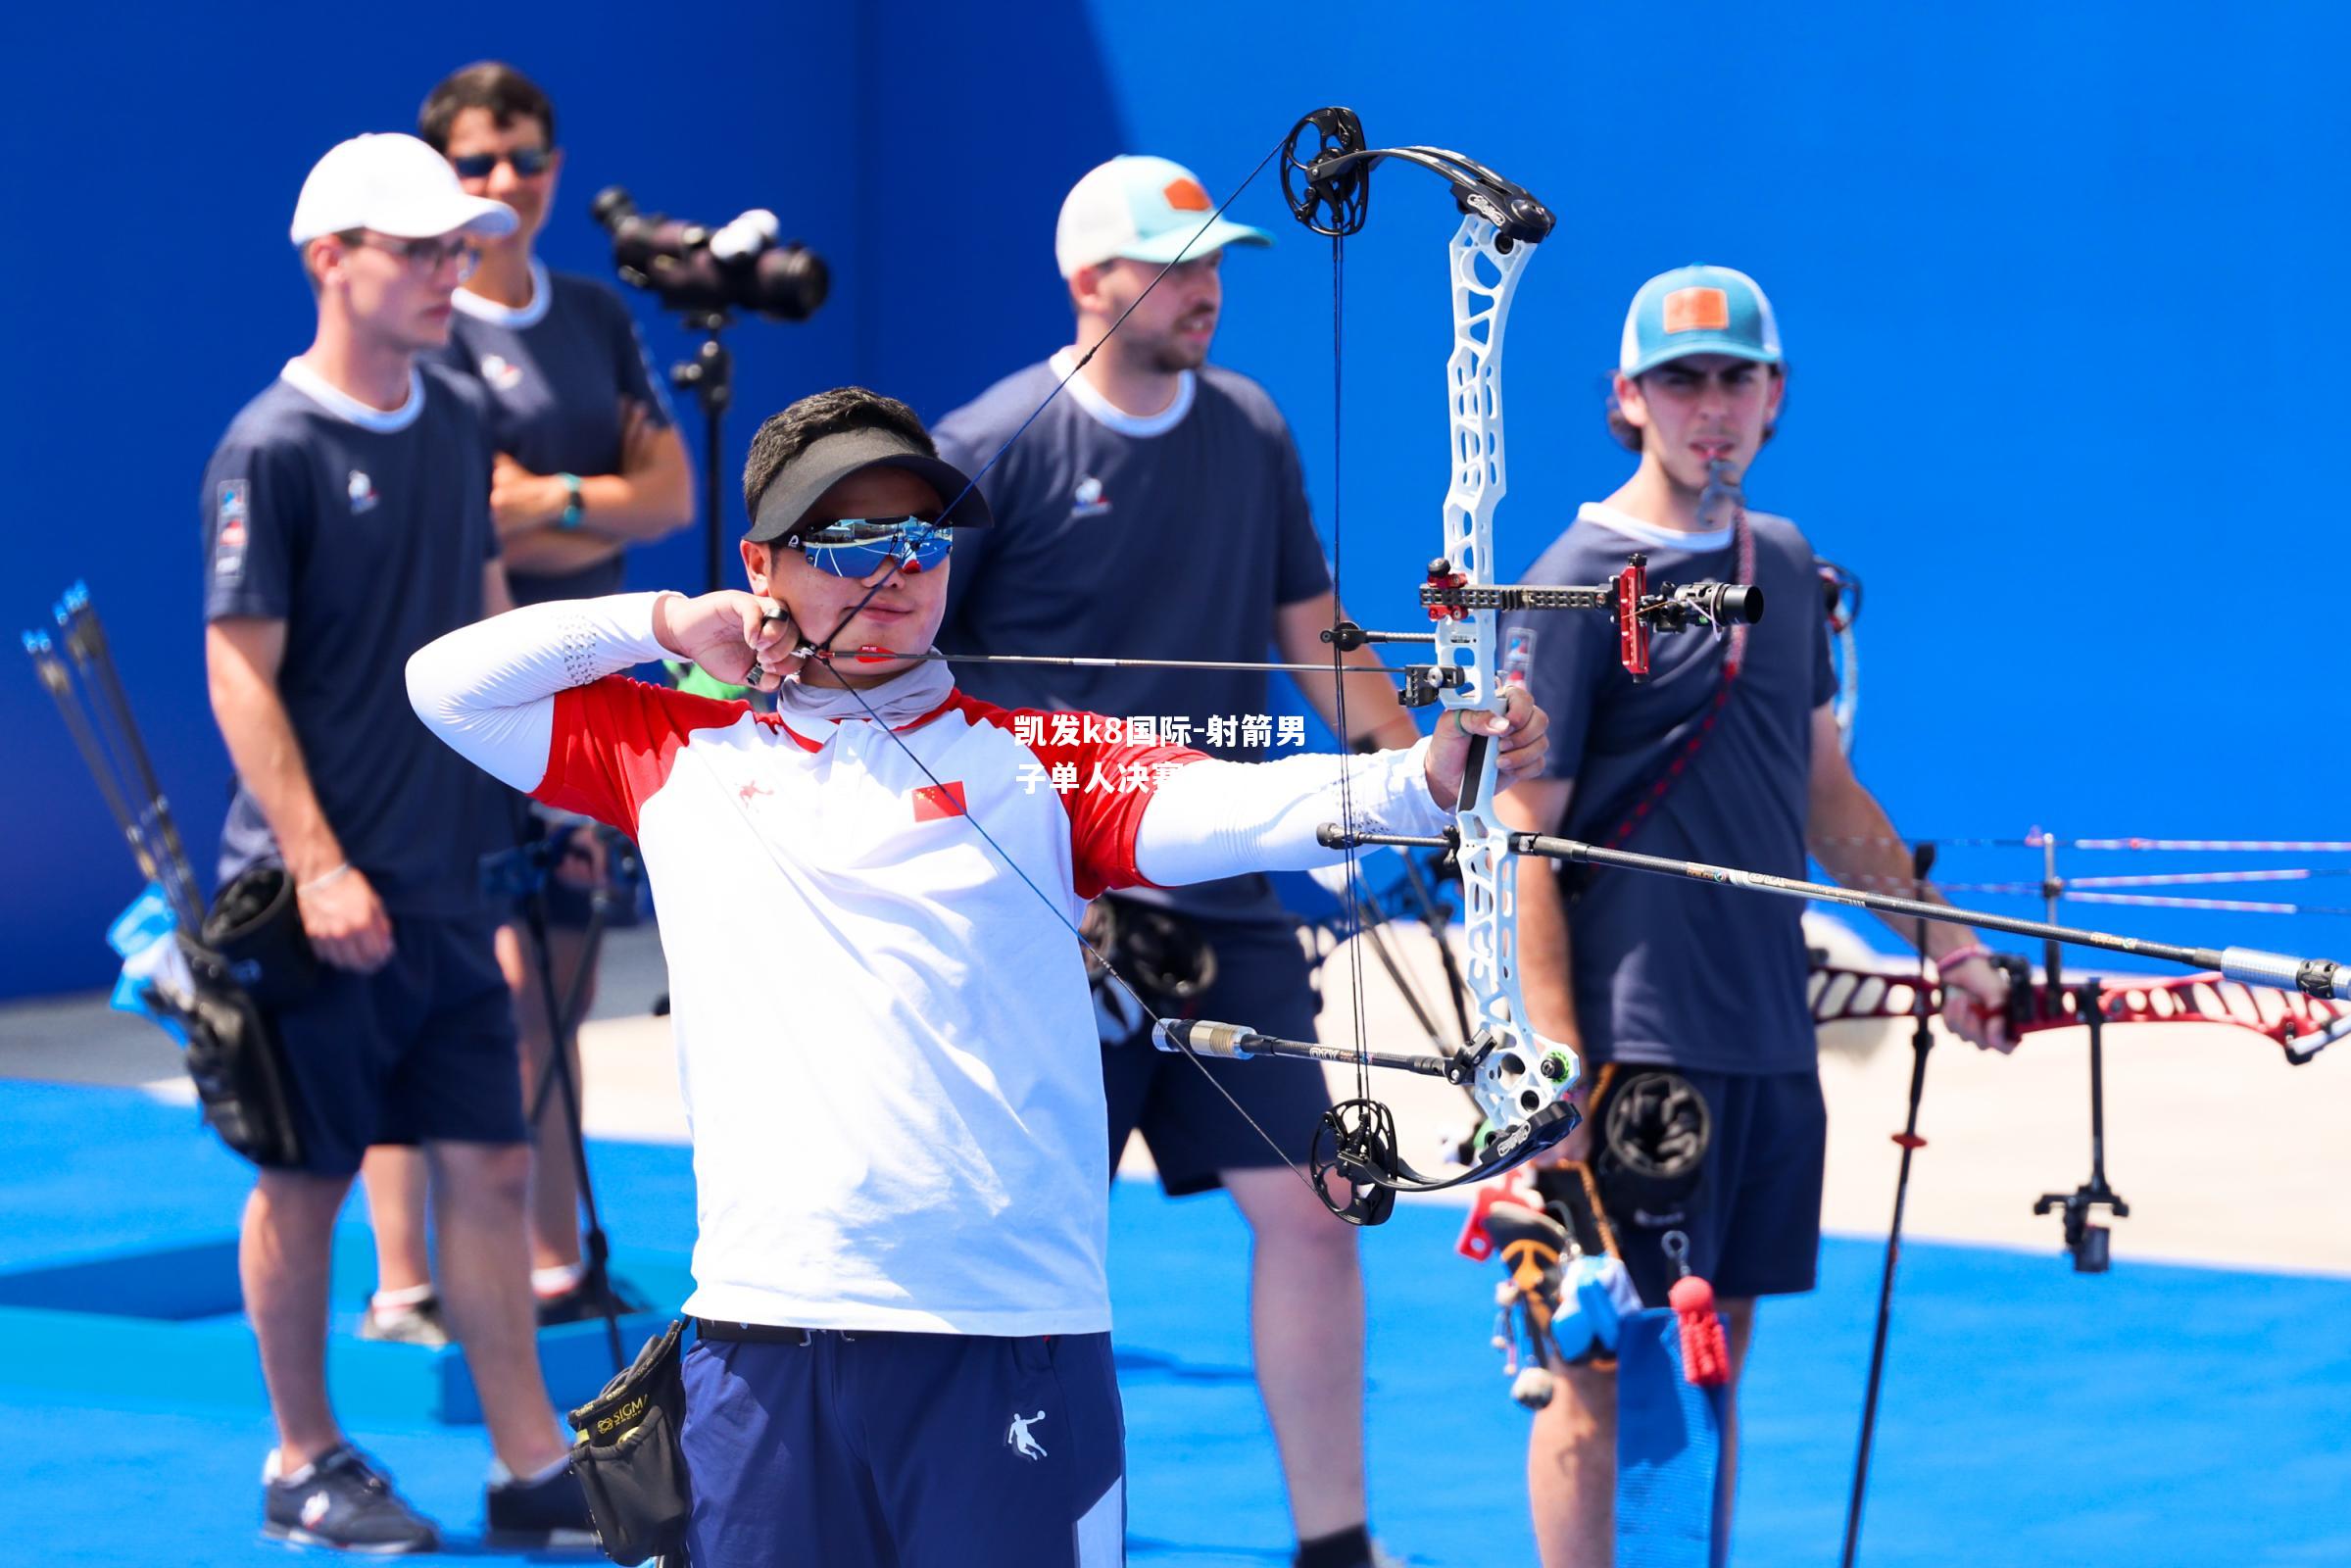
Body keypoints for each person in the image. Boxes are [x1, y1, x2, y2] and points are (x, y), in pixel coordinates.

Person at [403, 385, 1549, 1568]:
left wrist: (1426, 773)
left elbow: (1242, 804)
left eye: (923, 539)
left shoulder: (1034, 760)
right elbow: (444, 685)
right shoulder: (673, 749)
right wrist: (663, 622)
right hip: (758, 1330)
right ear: (762, 564)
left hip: (1006, 1333)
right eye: (848, 541)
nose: (895, 568)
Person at [931, 155, 1422, 1568]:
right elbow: (911, 690)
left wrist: (1415, 780)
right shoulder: (991, 444)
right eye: (1174, 264)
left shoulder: (1250, 426)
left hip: (1225, 912)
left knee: (1319, 1211)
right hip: (1039, 925)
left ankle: (1336, 1543)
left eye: (1214, 264)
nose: (1205, 290)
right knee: (1031, 1263)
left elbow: (1313, 628)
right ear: (1088, 281)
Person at [1495, 265, 2012, 1565]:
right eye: (1680, 382)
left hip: (1765, 1049)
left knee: (1708, 1371)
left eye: (1733, 378)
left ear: (1773, 395)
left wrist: (1941, 939)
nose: (1708, 408)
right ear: (1626, 400)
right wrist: (1552, 1068)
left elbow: (1823, 795)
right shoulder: (1572, 583)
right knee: (1610, 1377)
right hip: (1634, 1055)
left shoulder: (1779, 564)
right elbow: (1526, 846)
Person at [199, 131, 592, 1552]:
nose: (450, 271)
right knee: (303, 1177)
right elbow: (239, 669)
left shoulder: (450, 416)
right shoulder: (272, 445)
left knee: (488, 1166)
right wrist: (315, 864)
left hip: (443, 883)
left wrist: (542, 795)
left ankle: (534, 1465)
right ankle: (303, 1458)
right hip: (317, 897)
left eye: (455, 248)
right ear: (330, 262)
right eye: (418, 250)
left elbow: (489, 625)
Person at [352, 61, 695, 1348]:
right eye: (479, 164)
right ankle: (408, 1279)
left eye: (528, 158)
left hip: (579, 695)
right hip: (451, 701)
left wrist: (547, 501)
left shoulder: (596, 317)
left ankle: (552, 1259)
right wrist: (575, 500)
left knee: (554, 977)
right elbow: (448, 539)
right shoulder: (420, 336)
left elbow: (662, 504)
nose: (507, 185)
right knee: (452, 980)